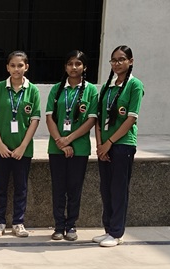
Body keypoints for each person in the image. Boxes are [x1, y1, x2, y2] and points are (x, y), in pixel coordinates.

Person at [45, 50, 99, 242]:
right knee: (58, 188)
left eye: (78, 64)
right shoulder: (57, 89)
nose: (74, 67)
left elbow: (91, 120)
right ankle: (59, 226)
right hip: (57, 147)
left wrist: (69, 139)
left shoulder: (91, 90)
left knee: (75, 188)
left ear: (85, 67)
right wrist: (60, 141)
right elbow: (49, 118)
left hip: (79, 148)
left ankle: (72, 225)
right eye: (70, 63)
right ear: (65, 67)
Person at [94, 45, 144, 248]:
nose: (117, 63)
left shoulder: (135, 85)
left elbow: (131, 119)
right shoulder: (108, 86)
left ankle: (116, 233)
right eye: (114, 60)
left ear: (130, 61)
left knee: (118, 189)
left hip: (122, 145)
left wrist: (109, 143)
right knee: (106, 188)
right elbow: (99, 118)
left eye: (121, 59)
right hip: (105, 146)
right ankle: (108, 229)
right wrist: (100, 144)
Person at [0, 51, 40, 238]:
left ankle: (18, 222)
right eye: (13, 65)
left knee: (21, 187)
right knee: (0, 187)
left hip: (22, 149)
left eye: (20, 65)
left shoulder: (32, 90)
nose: (16, 69)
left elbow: (34, 120)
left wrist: (23, 146)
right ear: (7, 67)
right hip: (1, 148)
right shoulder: (0, 88)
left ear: (26, 67)